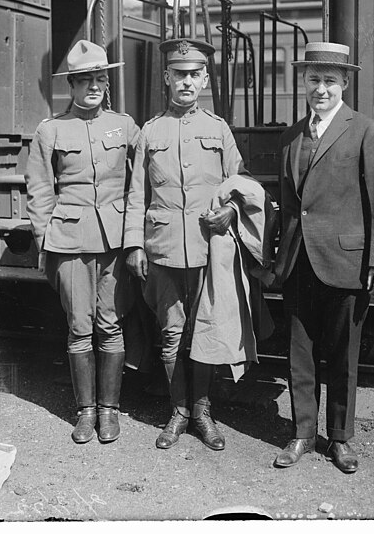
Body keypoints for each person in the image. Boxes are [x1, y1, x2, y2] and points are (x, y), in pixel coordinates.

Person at [273, 42, 374, 473]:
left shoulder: (366, 130)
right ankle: (303, 433)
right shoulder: (291, 136)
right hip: (298, 262)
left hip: (346, 263)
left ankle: (340, 439)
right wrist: (276, 260)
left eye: (329, 80)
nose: (320, 88)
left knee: (343, 356)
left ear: (344, 82)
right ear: (304, 82)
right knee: (300, 353)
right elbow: (289, 205)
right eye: (313, 80)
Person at [124, 37, 249, 451]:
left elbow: (238, 184)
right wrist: (134, 246)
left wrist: (231, 211)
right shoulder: (150, 131)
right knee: (172, 333)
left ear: (205, 79)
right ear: (166, 78)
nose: (187, 82)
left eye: (194, 75)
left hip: (206, 249)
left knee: (204, 332)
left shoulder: (217, 129)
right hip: (161, 251)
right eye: (179, 74)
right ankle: (178, 412)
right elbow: (135, 195)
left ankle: (202, 411)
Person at [25, 40, 140, 445]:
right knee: (78, 327)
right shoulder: (51, 129)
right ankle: (86, 412)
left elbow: (143, 178)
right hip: (69, 241)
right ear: (70, 86)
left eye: (100, 79)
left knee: (110, 323)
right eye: (85, 80)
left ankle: (109, 411)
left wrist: (135, 236)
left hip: (113, 239)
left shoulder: (125, 126)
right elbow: (39, 188)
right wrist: (46, 239)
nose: (94, 86)